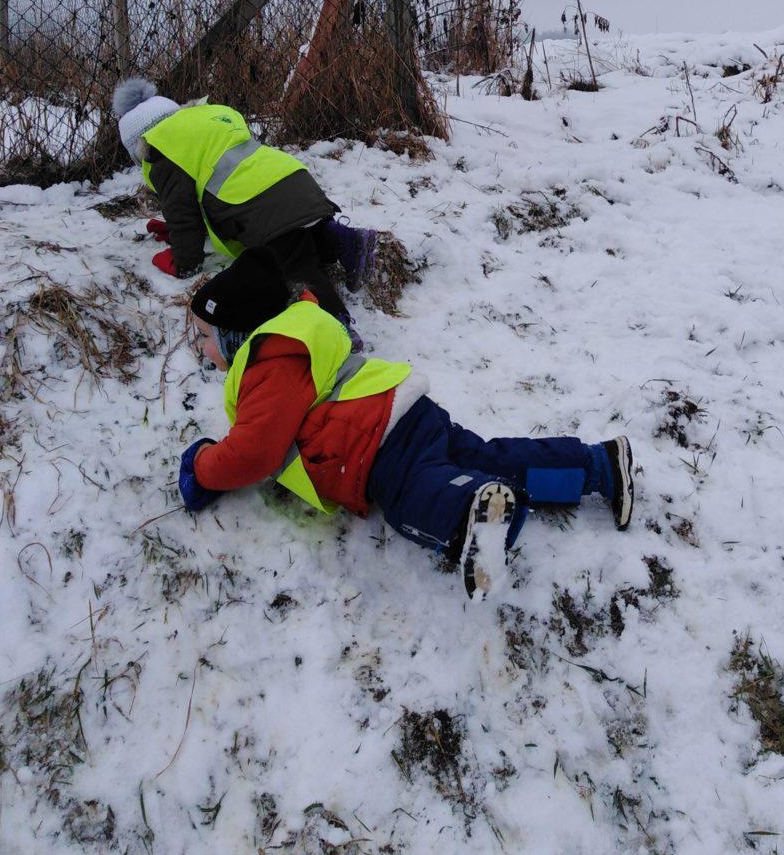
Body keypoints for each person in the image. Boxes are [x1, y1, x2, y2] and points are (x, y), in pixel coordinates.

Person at [178, 249, 634, 600]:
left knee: (407, 499)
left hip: (372, 449)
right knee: (487, 457)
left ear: (237, 333)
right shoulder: (299, 333)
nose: (199, 347)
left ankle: (471, 512)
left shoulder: (268, 364)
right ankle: (598, 466)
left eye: (204, 335)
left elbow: (253, 451)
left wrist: (202, 466)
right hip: (407, 410)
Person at [112, 77, 377, 320]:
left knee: (293, 264)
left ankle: (335, 328)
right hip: (293, 178)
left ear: (140, 143)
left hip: (257, 204)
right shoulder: (206, 123)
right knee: (301, 230)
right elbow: (215, 179)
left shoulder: (163, 154)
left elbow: (182, 214)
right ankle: (346, 239)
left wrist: (184, 264)